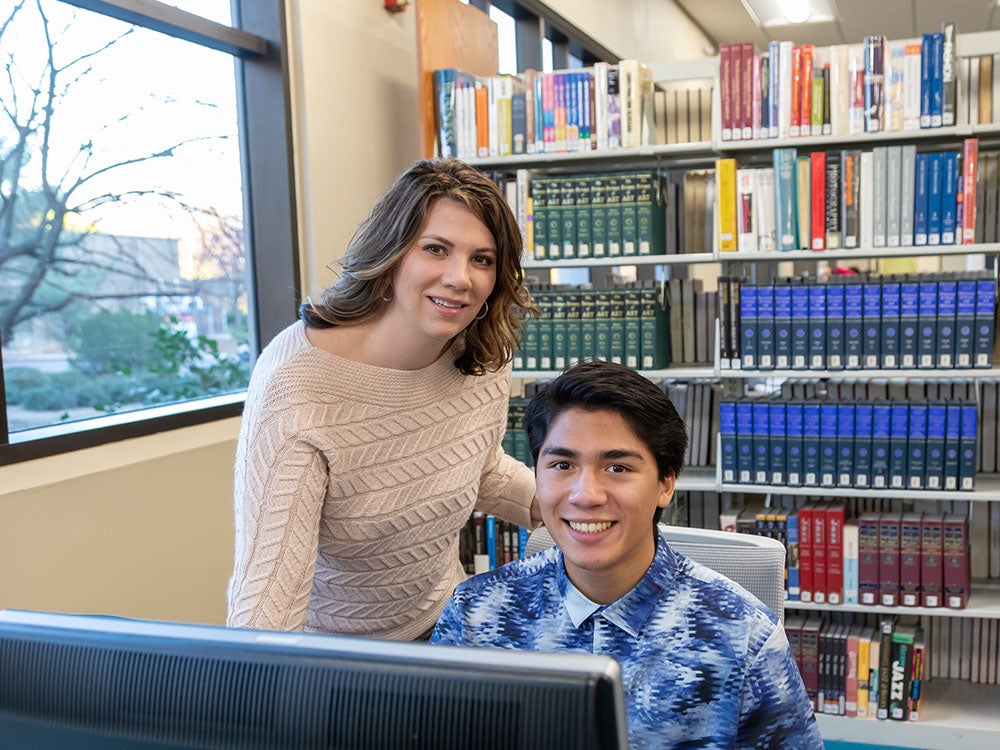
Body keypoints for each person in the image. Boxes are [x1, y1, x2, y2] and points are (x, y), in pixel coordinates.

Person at [431, 360, 822, 749]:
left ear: (665, 484)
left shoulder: (742, 636)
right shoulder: (475, 615)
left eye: (617, 467)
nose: (585, 495)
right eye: (562, 464)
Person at [227, 158, 539, 641]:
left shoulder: (482, 353)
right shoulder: (298, 386)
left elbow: (478, 469)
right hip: (340, 659)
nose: (460, 277)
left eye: (483, 258)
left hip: (446, 626)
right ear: (391, 254)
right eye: (436, 249)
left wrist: (569, 503)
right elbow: (269, 598)